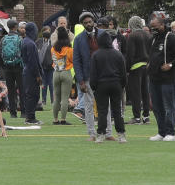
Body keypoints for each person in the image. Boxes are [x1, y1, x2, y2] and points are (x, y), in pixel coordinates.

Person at [148, 13, 175, 142]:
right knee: (157, 107)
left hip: (167, 79)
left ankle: (171, 132)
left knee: (169, 106)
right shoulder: (153, 39)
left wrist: (170, 64)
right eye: (151, 27)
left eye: (155, 27)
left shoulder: (171, 38)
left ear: (162, 25)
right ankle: (161, 132)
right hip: (154, 79)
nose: (153, 29)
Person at [73, 11, 111, 141]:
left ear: (94, 21)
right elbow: (76, 61)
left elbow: (110, 54)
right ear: (82, 24)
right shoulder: (78, 39)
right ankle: (92, 134)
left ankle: (108, 133)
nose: (88, 24)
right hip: (87, 76)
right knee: (88, 106)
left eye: (90, 21)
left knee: (105, 105)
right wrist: (80, 81)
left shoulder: (103, 34)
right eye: (85, 23)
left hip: (104, 75)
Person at [89, 31, 128, 143]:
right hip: (116, 84)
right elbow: (123, 72)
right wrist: (122, 85)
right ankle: (121, 135)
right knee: (117, 111)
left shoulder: (95, 55)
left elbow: (93, 73)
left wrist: (94, 86)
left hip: (101, 85)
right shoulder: (118, 54)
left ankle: (100, 134)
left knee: (102, 111)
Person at [125, 16, 151, 124]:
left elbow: (130, 54)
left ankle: (136, 117)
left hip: (135, 67)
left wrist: (127, 68)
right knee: (145, 92)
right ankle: (146, 116)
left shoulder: (132, 36)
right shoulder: (148, 35)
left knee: (136, 93)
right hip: (147, 66)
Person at [0, 19, 23, 118]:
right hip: (18, 67)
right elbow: (23, 53)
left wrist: (3, 66)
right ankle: (23, 111)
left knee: (11, 90)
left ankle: (13, 112)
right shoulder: (19, 38)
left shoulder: (4, 39)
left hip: (7, 68)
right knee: (21, 89)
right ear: (16, 27)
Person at [50, 26, 73, 125]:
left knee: (56, 98)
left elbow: (53, 60)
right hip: (66, 72)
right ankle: (63, 119)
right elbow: (73, 60)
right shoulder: (69, 49)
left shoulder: (53, 49)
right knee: (64, 98)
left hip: (56, 73)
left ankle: (55, 119)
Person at [20, 22, 42, 125]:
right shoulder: (31, 44)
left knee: (31, 94)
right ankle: (30, 117)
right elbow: (33, 61)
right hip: (31, 72)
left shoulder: (25, 41)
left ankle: (30, 116)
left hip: (26, 70)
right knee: (33, 95)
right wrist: (38, 75)